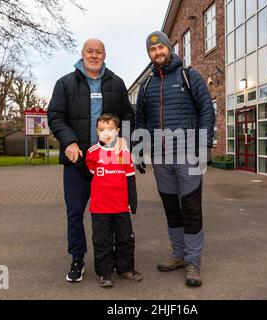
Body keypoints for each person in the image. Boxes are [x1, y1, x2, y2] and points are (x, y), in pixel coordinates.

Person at [47, 38, 134, 283]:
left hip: (110, 164)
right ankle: (77, 258)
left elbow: (128, 114)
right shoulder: (64, 83)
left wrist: (123, 139)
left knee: (115, 213)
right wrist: (69, 142)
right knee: (75, 213)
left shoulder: (116, 84)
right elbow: (55, 116)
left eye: (98, 52)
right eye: (89, 51)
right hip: (78, 162)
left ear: (105, 54)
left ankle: (117, 261)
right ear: (82, 54)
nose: (94, 55)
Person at [135, 31, 215, 286]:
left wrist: (203, 147)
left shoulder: (188, 76)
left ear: (169, 48)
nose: (157, 53)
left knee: (191, 208)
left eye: (161, 48)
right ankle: (178, 255)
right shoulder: (146, 85)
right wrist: (139, 150)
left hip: (188, 154)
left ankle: (193, 261)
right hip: (160, 159)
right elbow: (141, 120)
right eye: (152, 50)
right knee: (172, 210)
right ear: (149, 54)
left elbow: (207, 111)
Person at [85, 113, 142, 288]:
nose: (106, 133)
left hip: (121, 207)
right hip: (100, 208)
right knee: (103, 240)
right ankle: (105, 273)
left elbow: (130, 177)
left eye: (110, 129)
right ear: (97, 132)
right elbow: (92, 174)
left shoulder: (123, 152)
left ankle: (126, 268)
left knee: (125, 238)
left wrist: (132, 200)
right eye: (102, 129)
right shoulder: (92, 153)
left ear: (117, 131)